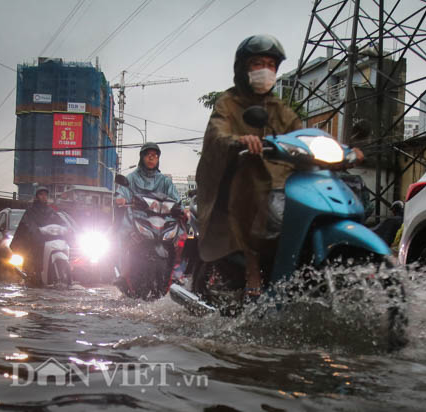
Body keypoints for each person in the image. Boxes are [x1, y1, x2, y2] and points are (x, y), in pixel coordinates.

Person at [195, 34, 303, 298]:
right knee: (252, 179)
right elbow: (217, 132)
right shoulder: (227, 102)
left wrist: (342, 149)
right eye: (257, 63)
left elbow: (302, 132)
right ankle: (252, 267)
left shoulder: (279, 108)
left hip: (278, 184)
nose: (265, 70)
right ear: (243, 68)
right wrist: (238, 140)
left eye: (270, 64)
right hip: (233, 180)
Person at [10, 185, 63, 276]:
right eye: (41, 195)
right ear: (37, 197)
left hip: (49, 240)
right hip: (34, 240)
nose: (44, 197)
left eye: (45, 195)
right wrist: (35, 230)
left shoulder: (50, 211)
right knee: (34, 255)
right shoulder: (31, 210)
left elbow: (60, 221)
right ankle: (31, 273)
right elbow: (28, 223)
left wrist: (66, 228)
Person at [115, 142, 180, 206]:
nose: (151, 158)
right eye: (147, 154)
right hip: (135, 215)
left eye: (155, 155)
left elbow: (177, 201)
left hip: (161, 215)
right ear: (142, 157)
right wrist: (121, 199)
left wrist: (183, 210)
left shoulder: (165, 181)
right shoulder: (131, 178)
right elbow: (122, 193)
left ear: (158, 159)